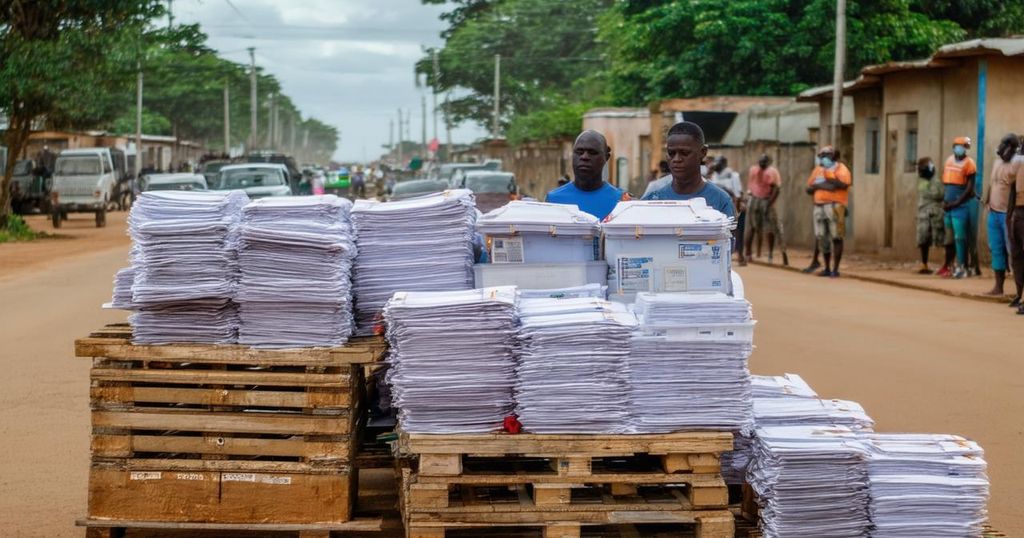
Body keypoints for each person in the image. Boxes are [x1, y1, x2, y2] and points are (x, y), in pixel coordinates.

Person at [641, 122, 735, 218]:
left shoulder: (720, 201)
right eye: (671, 153)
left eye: (685, 153)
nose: (676, 159)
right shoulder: (652, 201)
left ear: (703, 152)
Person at [546, 130, 629, 220]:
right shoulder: (553, 200)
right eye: (579, 152)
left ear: (606, 157)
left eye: (592, 152)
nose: (584, 157)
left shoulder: (622, 202)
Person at [982, 134, 1020, 295]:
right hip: (993, 212)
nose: (1002, 147)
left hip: (1008, 215)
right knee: (996, 249)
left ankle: (1018, 291)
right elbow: (993, 184)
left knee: (1014, 251)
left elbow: (1015, 190)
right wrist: (987, 200)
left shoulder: (1017, 164)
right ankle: (999, 286)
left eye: (1006, 144)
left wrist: (1011, 215)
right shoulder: (997, 162)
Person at [806, 145, 852, 277]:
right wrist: (821, 185)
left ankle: (835, 269)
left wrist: (823, 182)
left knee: (837, 236)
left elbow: (843, 185)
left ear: (834, 156)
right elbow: (809, 188)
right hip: (819, 206)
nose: (824, 158)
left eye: (827, 155)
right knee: (822, 237)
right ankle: (826, 267)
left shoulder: (841, 169)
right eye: (822, 155)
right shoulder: (817, 170)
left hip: (835, 206)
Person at [941, 136, 978, 279]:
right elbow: (946, 183)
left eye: (963, 146)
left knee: (960, 238)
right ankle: (949, 266)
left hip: (960, 206)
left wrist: (956, 203)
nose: (960, 148)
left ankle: (963, 266)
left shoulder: (970, 164)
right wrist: (945, 202)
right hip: (948, 206)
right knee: (949, 238)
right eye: (957, 145)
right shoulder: (949, 160)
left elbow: (969, 189)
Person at [746, 154, 789, 266]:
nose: (762, 164)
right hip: (754, 199)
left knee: (773, 227)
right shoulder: (754, 170)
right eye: (761, 162)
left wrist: (769, 203)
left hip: (767, 200)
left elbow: (776, 189)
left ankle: (774, 253)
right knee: (752, 227)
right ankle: (748, 253)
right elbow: (750, 186)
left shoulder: (772, 172)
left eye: (764, 162)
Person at [710, 156, 746, 264]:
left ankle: (740, 255)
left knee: (737, 232)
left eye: (718, 163)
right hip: (717, 208)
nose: (716, 165)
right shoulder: (714, 175)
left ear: (724, 164)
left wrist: (736, 210)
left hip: (732, 206)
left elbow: (738, 193)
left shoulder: (733, 175)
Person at [915, 157, 945, 274]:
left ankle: (946, 264)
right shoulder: (922, 182)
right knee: (923, 240)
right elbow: (933, 194)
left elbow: (939, 194)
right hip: (924, 214)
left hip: (935, 213)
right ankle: (924, 264)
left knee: (940, 238)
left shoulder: (935, 182)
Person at [1008, 138, 1024, 314]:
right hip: (1019, 211)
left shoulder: (1019, 160)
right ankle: (1020, 294)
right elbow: (1011, 175)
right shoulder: (1019, 160)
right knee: (1018, 257)